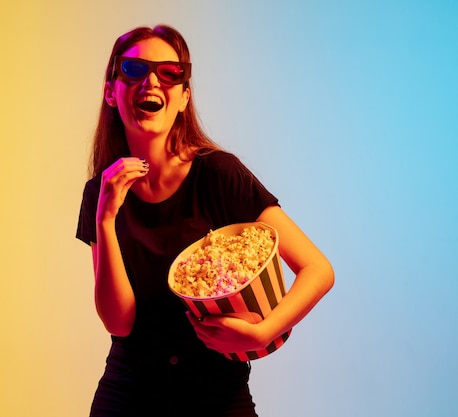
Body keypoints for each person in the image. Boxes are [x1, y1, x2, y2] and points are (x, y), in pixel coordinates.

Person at [76, 24, 334, 417]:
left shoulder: (219, 174)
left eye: (169, 73)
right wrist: (106, 220)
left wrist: (264, 331)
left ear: (183, 97)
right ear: (111, 92)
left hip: (216, 395)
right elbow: (119, 322)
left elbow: (318, 269)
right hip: (129, 394)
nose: (151, 81)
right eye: (133, 69)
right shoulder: (101, 191)